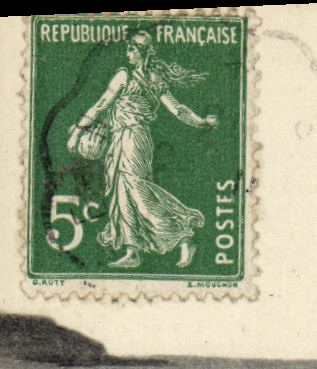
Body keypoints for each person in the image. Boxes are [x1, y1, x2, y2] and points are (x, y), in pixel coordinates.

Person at [68, 30, 216, 270]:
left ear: (141, 53)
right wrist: (201, 122)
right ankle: (133, 250)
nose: (127, 53)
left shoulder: (125, 76)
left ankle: (182, 233)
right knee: (124, 192)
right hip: (127, 138)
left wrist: (77, 130)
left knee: (136, 190)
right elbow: (178, 109)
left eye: (131, 49)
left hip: (132, 138)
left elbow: (101, 104)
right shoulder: (155, 79)